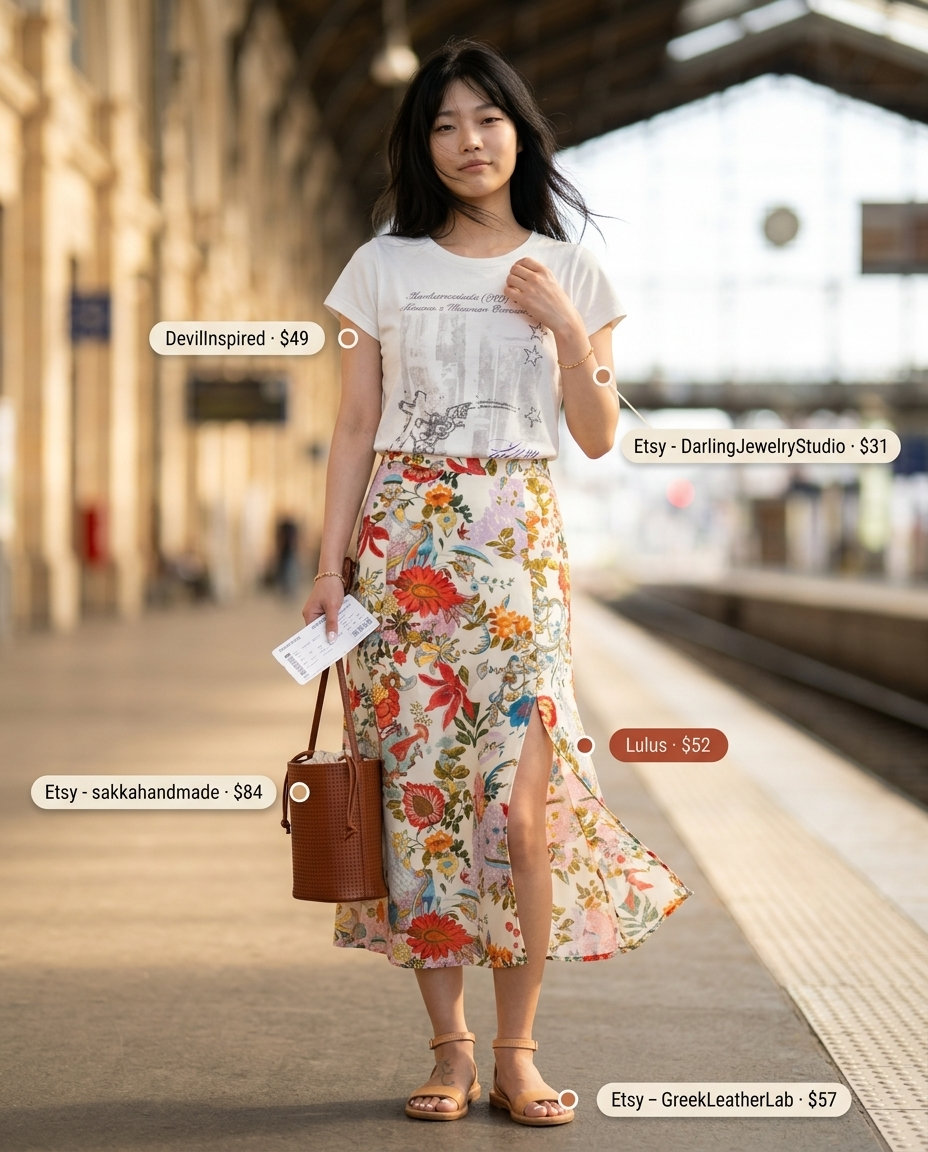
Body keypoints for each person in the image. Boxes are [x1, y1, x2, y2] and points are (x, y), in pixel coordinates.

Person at [300, 38, 691, 1127]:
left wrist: (566, 329)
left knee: (520, 816)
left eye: (486, 119)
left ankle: (519, 1050)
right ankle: (451, 1048)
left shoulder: (575, 269)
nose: (468, 141)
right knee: (423, 806)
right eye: (443, 124)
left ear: (520, 131)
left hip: (518, 549)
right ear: (420, 145)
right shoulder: (380, 266)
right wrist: (329, 568)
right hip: (402, 551)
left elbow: (597, 434)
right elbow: (354, 426)